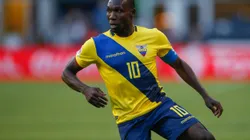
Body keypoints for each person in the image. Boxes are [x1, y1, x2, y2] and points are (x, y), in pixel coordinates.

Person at [61, 0, 223, 139]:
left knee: (203, 137)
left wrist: (205, 95)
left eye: (118, 10)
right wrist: (85, 89)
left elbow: (178, 65)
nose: (112, 16)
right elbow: (67, 72)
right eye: (109, 11)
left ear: (132, 12)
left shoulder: (153, 36)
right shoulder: (95, 45)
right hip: (129, 119)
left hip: (159, 107)